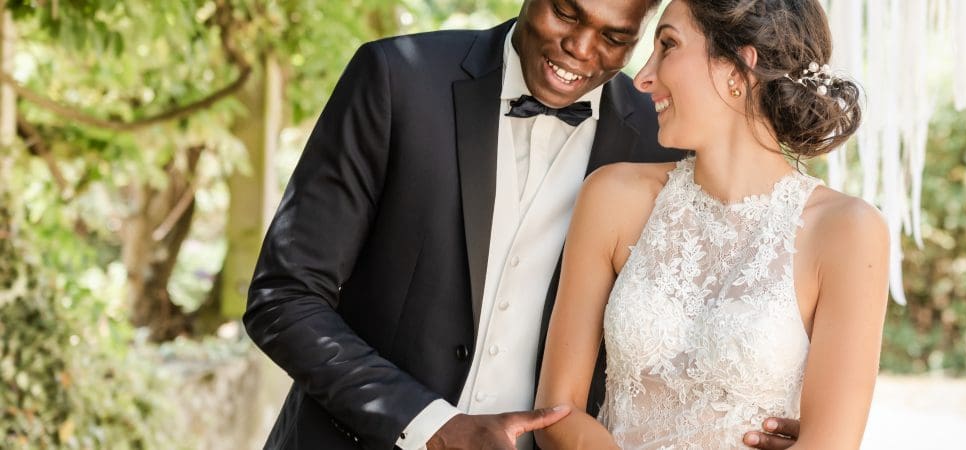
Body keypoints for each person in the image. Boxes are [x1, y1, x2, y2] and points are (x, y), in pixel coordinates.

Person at [243, 0, 802, 448]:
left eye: (614, 37)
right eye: (566, 12)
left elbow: (716, 304)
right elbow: (284, 296)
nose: (581, 49)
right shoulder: (397, 79)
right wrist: (431, 425)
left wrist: (744, 425)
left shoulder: (663, 138)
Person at [533, 0, 889, 449]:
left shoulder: (847, 231)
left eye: (668, 46)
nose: (643, 77)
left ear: (739, 66)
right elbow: (555, 414)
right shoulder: (611, 197)